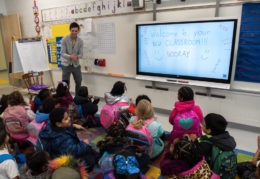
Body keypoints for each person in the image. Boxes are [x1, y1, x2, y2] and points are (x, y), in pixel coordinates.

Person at [197, 113, 237, 178]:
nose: (201, 126)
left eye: (203, 125)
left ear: (209, 130)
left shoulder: (205, 144)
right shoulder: (228, 141)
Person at [61, 22, 83, 95]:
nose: (74, 32)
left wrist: (76, 57)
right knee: (65, 84)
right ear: (70, 30)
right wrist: (70, 56)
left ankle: (77, 99)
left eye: (76, 31)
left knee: (79, 82)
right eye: (72, 31)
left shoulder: (80, 41)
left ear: (78, 31)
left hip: (76, 65)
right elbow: (62, 53)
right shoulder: (64, 39)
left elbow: (81, 54)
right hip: (66, 65)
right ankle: (66, 99)